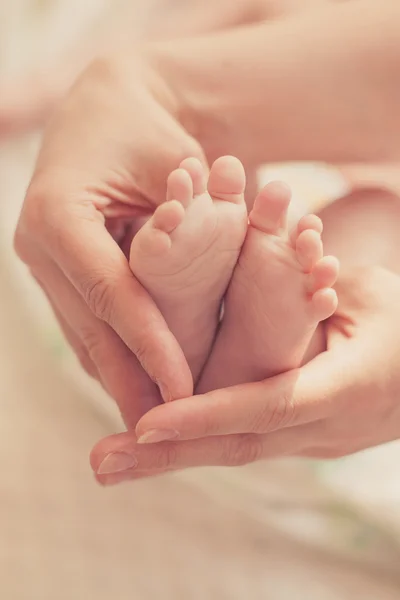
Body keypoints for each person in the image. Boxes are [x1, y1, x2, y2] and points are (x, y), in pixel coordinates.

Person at [14, 0, 400, 482]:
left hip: (321, 181)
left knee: (357, 224)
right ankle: (233, 307)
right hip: (264, 156)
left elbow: (158, 47)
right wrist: (56, 91)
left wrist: (45, 91)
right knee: (227, 182)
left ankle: (267, 333)